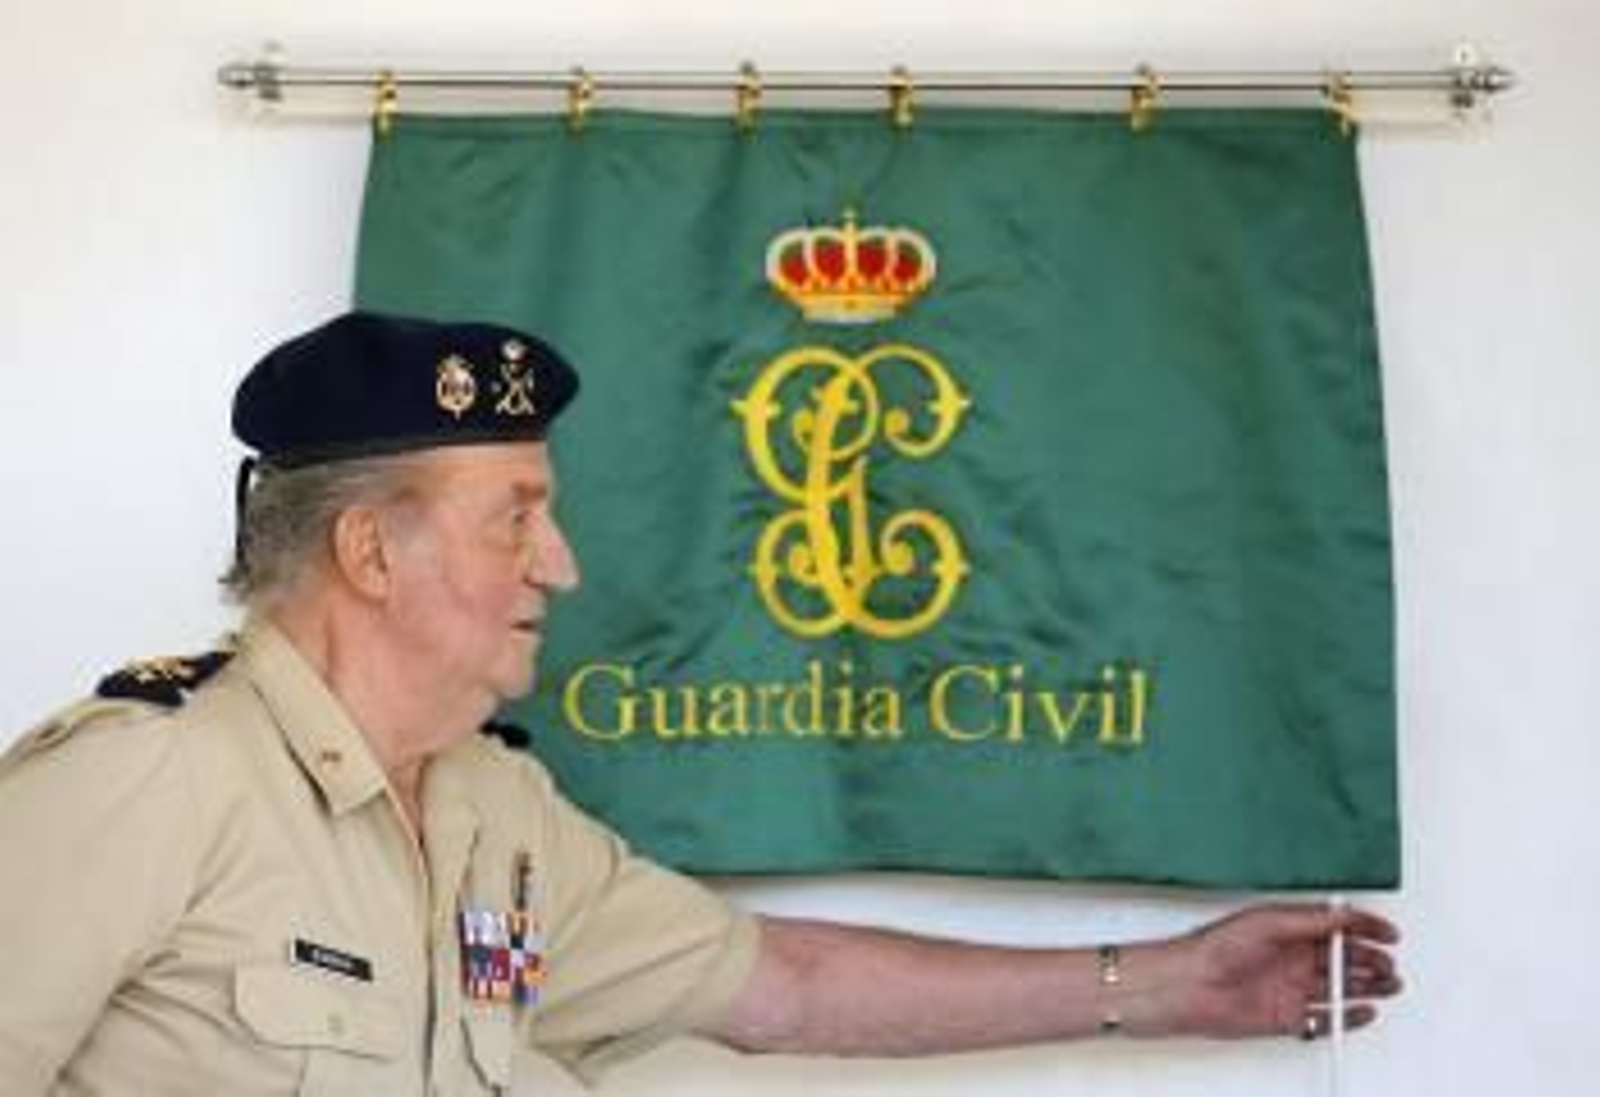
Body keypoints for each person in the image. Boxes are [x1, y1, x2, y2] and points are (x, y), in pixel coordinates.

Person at [0, 311, 1401, 1095]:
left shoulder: (499, 807)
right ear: (372, 551)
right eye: (518, 517)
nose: (563, 562)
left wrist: (1166, 982)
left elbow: (777, 983)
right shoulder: (144, 779)